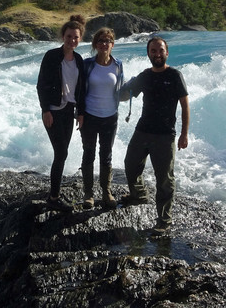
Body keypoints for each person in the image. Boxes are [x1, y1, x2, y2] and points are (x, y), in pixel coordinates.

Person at [120, 36, 189, 235]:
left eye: (160, 50)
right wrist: (114, 89)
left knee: (164, 179)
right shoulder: (145, 76)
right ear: (148, 54)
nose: (157, 54)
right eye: (153, 51)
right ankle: (139, 195)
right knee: (130, 165)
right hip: (142, 131)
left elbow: (185, 106)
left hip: (165, 135)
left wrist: (184, 134)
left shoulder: (175, 75)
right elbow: (125, 95)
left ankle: (164, 220)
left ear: (167, 53)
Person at [36, 15, 87, 212]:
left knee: (62, 153)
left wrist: (80, 113)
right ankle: (54, 197)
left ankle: (54, 193)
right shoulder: (51, 56)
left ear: (80, 38)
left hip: (68, 111)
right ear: (63, 36)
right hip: (53, 111)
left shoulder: (79, 60)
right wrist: (45, 110)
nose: (72, 40)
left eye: (76, 37)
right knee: (61, 152)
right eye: (69, 36)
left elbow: (81, 89)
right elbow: (41, 85)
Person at [79, 28, 125, 209]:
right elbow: (80, 91)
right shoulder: (87, 64)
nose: (104, 44)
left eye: (107, 41)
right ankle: (88, 194)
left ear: (112, 44)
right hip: (89, 116)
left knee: (106, 156)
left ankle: (106, 192)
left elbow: (120, 89)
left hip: (110, 117)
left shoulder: (118, 65)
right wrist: (79, 113)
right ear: (95, 45)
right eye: (100, 41)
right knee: (88, 154)